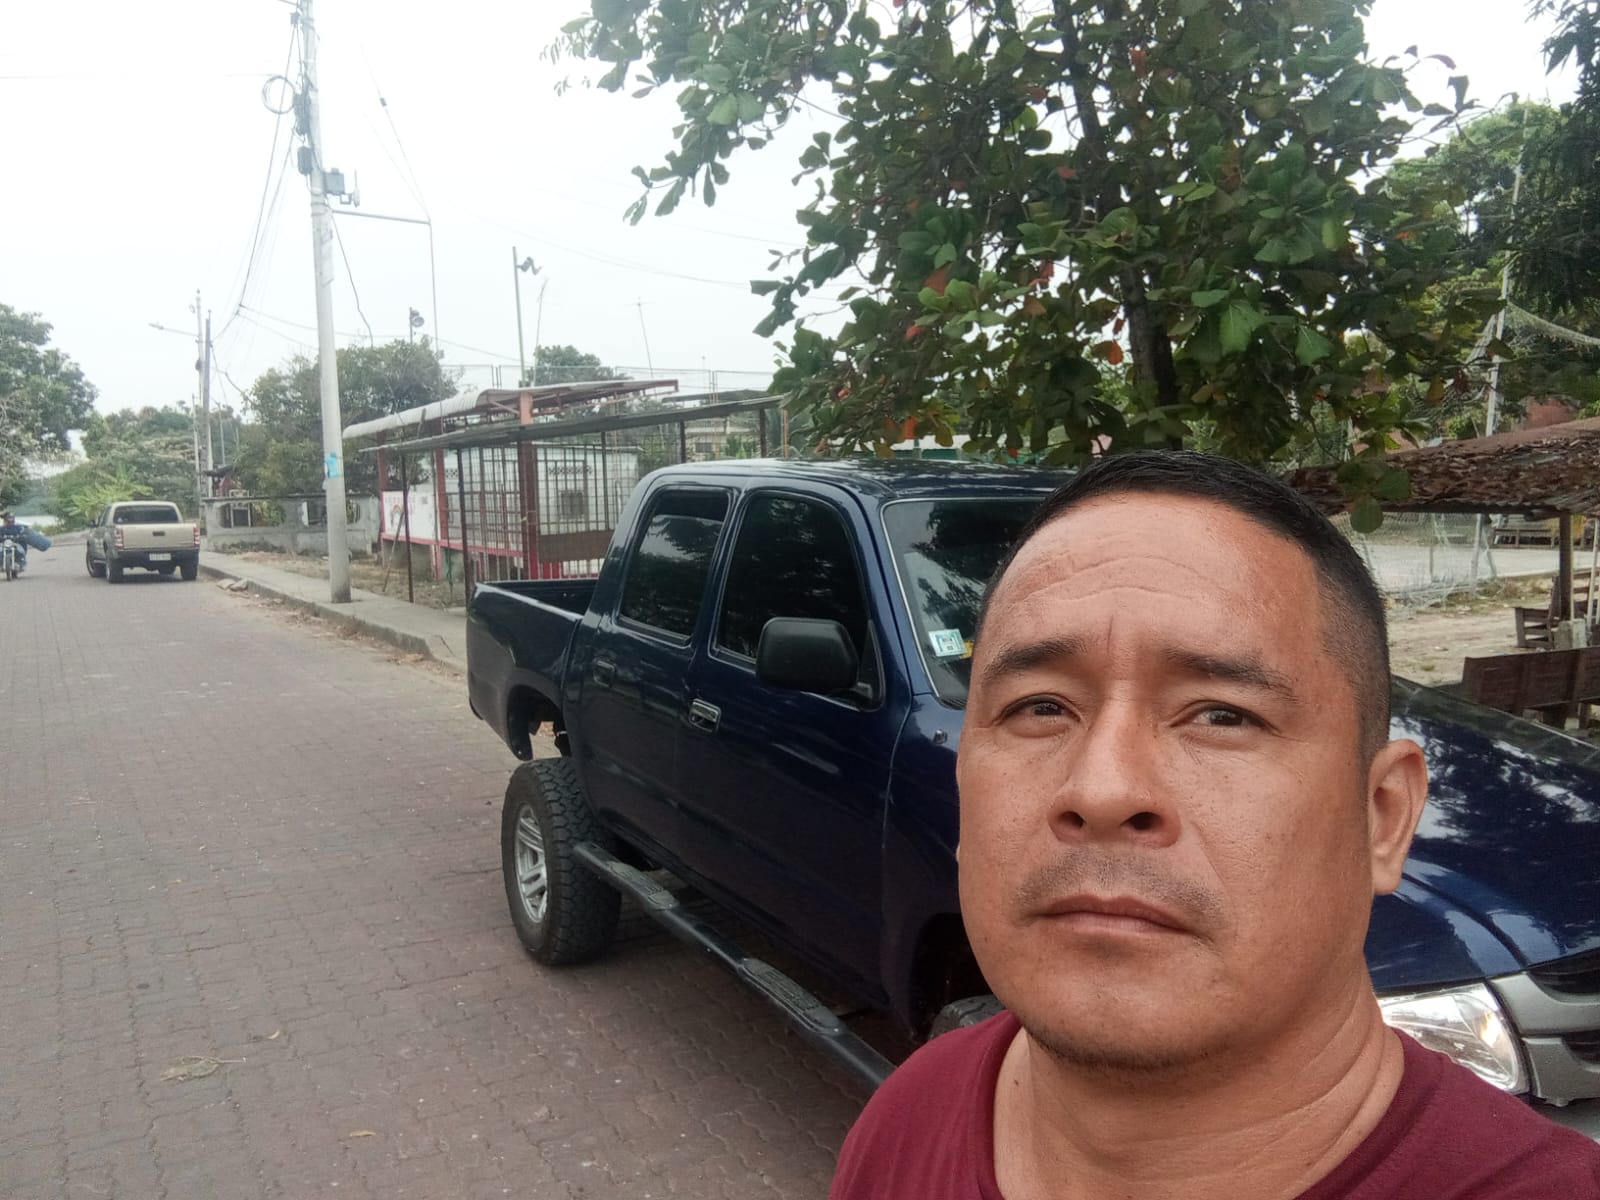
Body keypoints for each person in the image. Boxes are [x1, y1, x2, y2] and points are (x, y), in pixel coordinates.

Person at [831, 450, 1600, 1199]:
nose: (1101, 788)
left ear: (1382, 816)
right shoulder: (913, 1113)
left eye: (1223, 715)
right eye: (1040, 707)